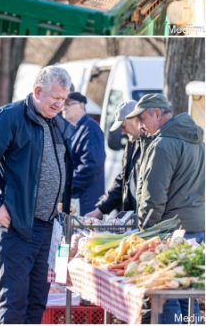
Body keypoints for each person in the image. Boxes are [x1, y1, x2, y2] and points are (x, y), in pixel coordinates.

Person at [0, 66, 74, 325]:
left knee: (38, 299)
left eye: (63, 99)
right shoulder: (10, 117)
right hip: (15, 226)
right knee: (15, 301)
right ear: (37, 91)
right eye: (54, 98)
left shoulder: (55, 123)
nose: (60, 105)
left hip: (47, 227)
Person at [130, 93, 205, 324]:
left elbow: (154, 198)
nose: (141, 125)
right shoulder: (197, 141)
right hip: (196, 228)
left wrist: (145, 234)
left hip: (170, 231)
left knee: (166, 297)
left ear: (156, 113)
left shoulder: (163, 144)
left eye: (142, 118)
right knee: (189, 297)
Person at [84, 100, 143, 219]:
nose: (122, 131)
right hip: (132, 218)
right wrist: (101, 209)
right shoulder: (131, 145)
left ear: (135, 119)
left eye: (123, 125)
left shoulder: (152, 147)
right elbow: (123, 180)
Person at [61, 91, 106, 215]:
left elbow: (92, 164)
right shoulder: (75, 129)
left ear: (81, 106)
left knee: (83, 234)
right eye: (63, 103)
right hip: (77, 198)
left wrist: (67, 185)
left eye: (69, 103)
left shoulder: (91, 128)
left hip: (86, 201)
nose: (64, 107)